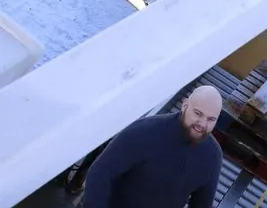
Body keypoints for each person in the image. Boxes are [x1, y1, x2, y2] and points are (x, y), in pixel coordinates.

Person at [82, 85, 224, 208]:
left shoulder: (213, 155)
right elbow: (101, 172)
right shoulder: (144, 131)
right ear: (185, 105)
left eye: (211, 119)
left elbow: (202, 204)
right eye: (198, 113)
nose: (202, 124)